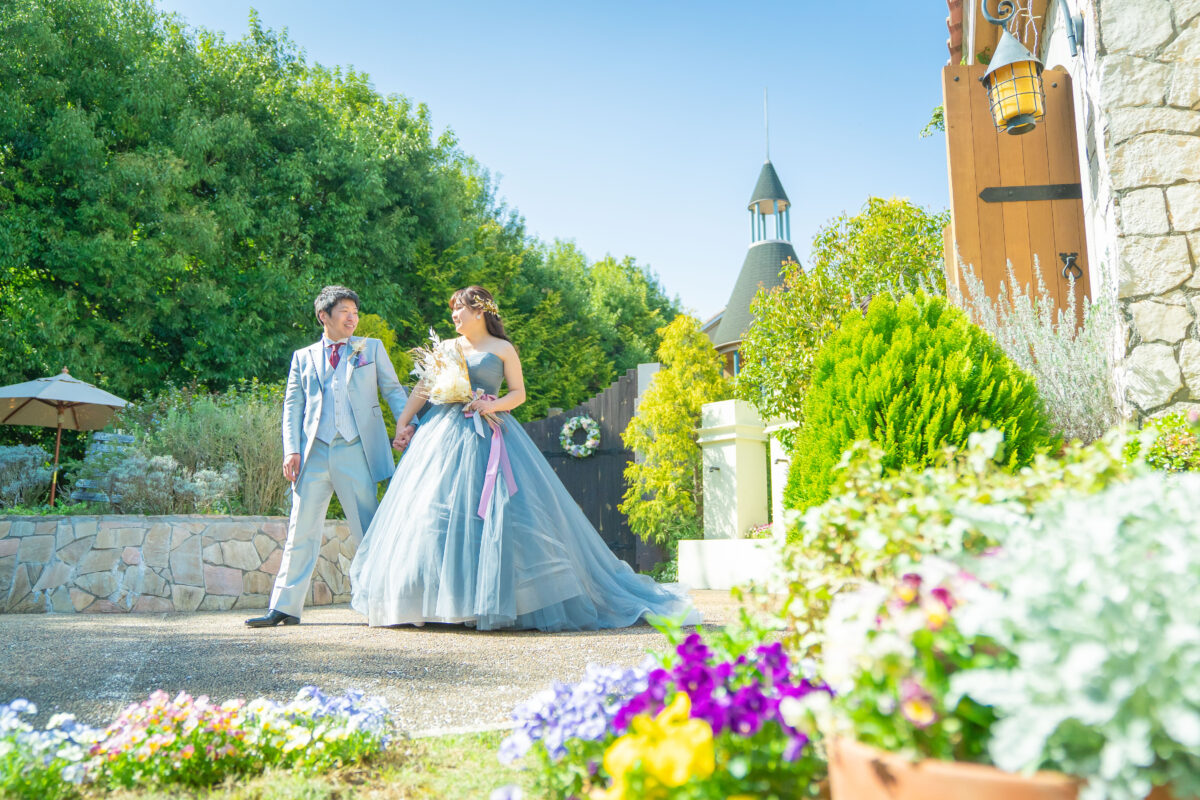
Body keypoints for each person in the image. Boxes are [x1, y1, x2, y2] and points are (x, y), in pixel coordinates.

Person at [350, 285, 699, 631]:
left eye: (459, 309)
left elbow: (518, 393)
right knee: (432, 512)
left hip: (489, 432)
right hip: (441, 434)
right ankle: (424, 602)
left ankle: (489, 602)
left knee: (498, 515)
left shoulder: (503, 348)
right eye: (452, 310)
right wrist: (403, 422)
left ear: (479, 311)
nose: (454, 315)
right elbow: (424, 388)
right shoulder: (446, 347)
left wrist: (492, 404)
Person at [246, 286, 409, 628]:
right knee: (300, 530)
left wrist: (408, 427)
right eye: (345, 311)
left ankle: (381, 606)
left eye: (355, 312)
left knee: (367, 529)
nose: (353, 318)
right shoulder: (302, 356)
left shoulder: (370, 348)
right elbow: (293, 405)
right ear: (324, 316)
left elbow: (394, 391)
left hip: (356, 449)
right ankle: (285, 607)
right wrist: (291, 449)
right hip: (314, 452)